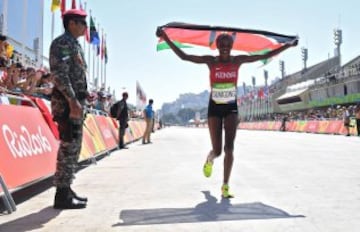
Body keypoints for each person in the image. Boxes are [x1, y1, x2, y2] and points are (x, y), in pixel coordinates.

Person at [157, 27, 297, 198]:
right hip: (214, 107)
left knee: (229, 148)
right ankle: (209, 159)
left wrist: (288, 46)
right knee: (218, 151)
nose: (224, 48)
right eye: (222, 45)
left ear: (231, 47)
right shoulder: (211, 61)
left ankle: (225, 186)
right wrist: (166, 37)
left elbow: (263, 55)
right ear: (217, 46)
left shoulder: (237, 60)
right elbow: (184, 57)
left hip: (231, 108)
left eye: (228, 45)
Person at [49, 8, 90, 209]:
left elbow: (76, 75)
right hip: (67, 105)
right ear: (71, 23)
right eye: (82, 23)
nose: (85, 27)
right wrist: (73, 101)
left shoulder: (74, 45)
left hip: (75, 103)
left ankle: (66, 188)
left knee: (74, 147)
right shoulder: (63, 43)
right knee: (68, 146)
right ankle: (61, 195)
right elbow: (60, 75)